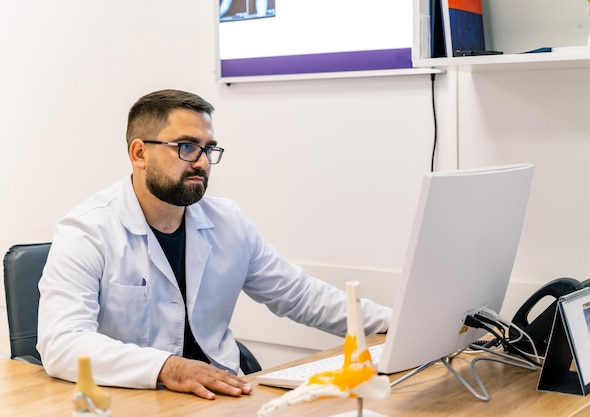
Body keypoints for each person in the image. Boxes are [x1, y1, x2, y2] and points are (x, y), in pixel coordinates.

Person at [37, 89, 392, 400]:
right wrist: (168, 368)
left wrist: (396, 324)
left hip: (224, 397)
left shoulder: (227, 222)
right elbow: (63, 343)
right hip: (135, 399)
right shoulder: (87, 230)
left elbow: (300, 295)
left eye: (208, 149)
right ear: (140, 153)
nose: (203, 163)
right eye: (187, 147)